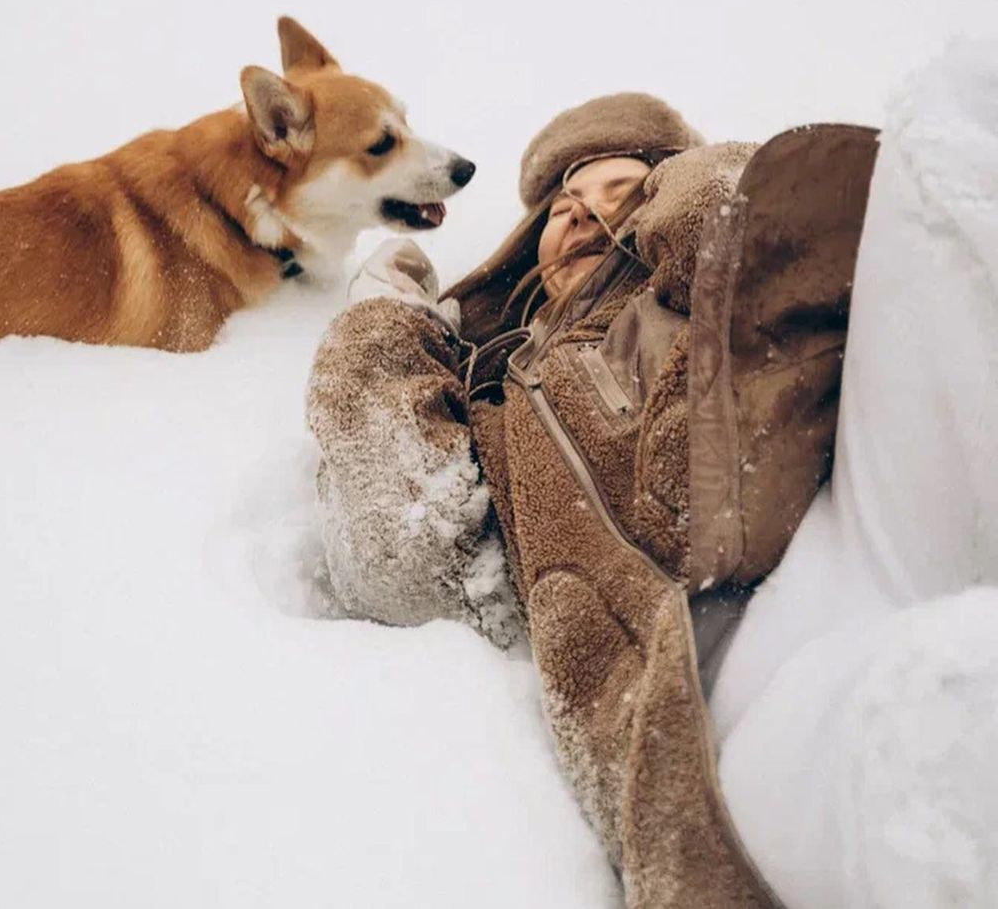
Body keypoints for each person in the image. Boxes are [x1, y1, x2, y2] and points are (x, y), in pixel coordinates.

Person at [306, 44, 998, 908]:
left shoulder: (721, 268)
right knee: (937, 723)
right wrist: (386, 318)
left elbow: (751, 221)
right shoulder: (501, 390)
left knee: (959, 122)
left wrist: (679, 187)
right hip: (719, 670)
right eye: (561, 206)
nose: (586, 215)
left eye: (622, 189)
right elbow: (403, 558)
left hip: (856, 485)